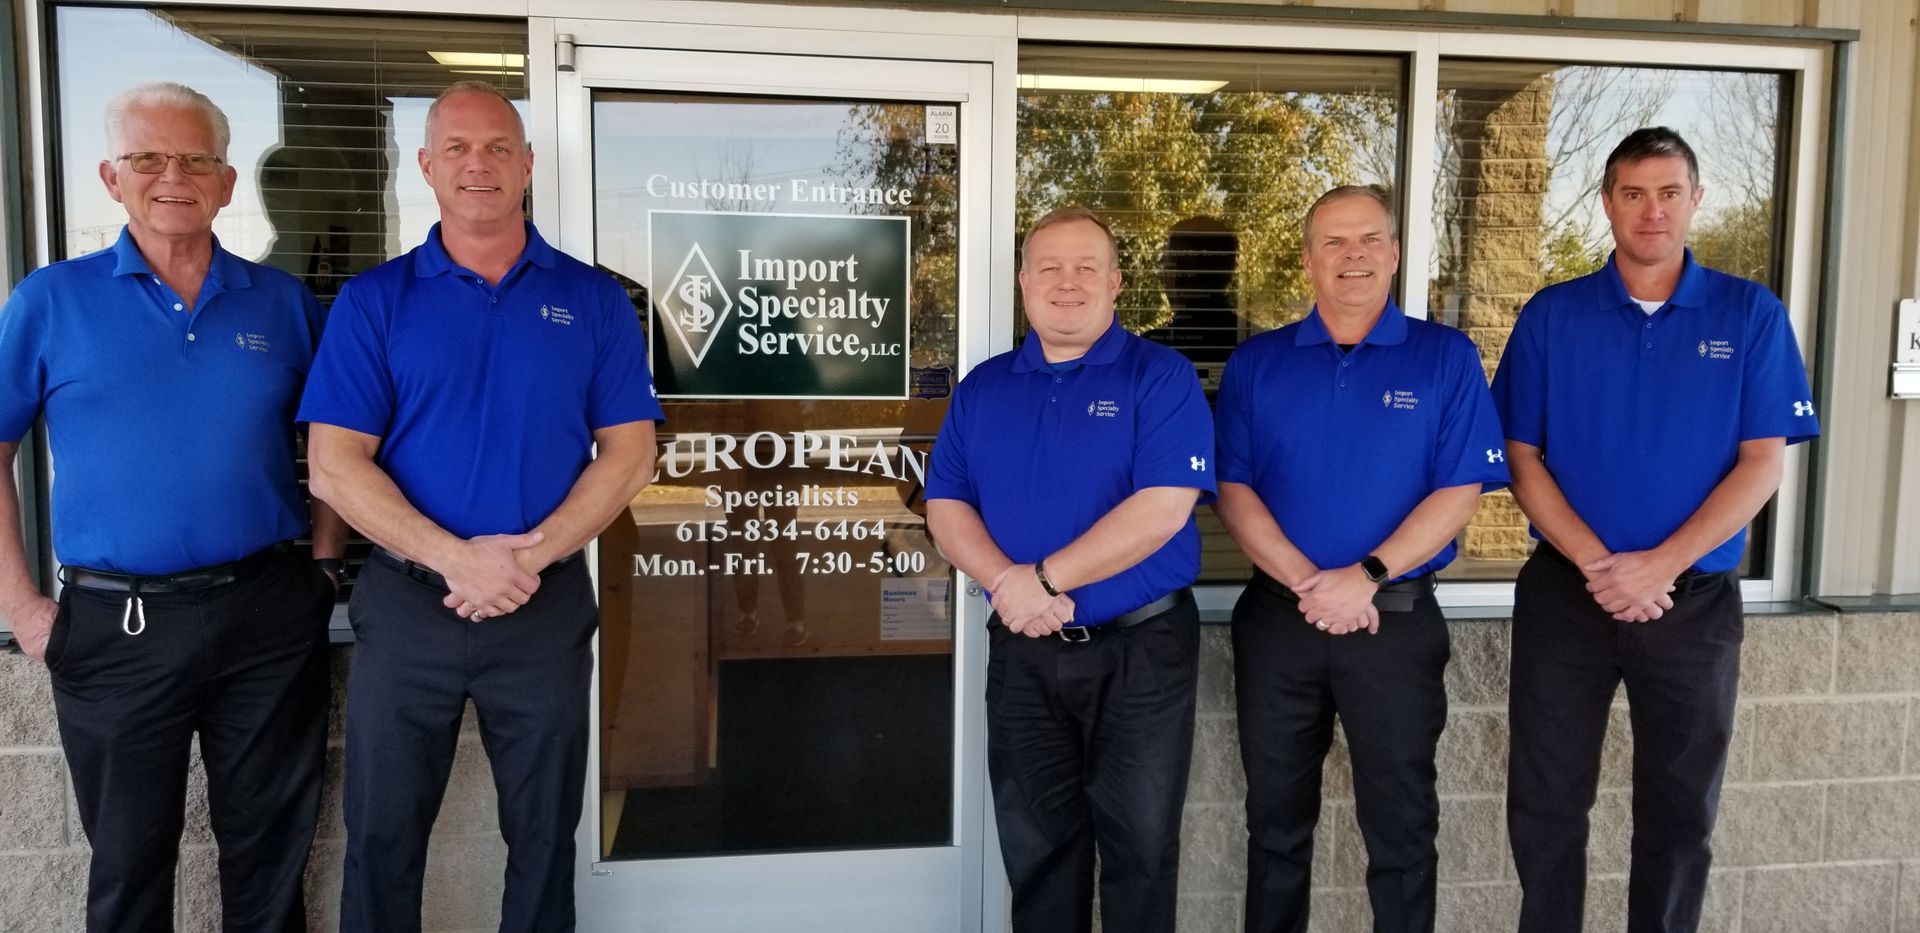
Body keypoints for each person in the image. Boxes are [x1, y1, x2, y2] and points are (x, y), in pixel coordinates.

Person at [299, 81, 663, 932]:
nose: (479, 164)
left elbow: (631, 455)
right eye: (457, 148)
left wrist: (524, 558)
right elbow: (334, 467)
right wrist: (456, 558)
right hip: (408, 605)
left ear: (529, 164)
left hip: (544, 607)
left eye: (499, 147)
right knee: (382, 835)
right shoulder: (374, 302)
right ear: (424, 165)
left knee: (543, 835)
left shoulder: (598, 300)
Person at [0, 81, 342, 931]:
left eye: (195, 158)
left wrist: (325, 565)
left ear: (227, 183)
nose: (172, 175)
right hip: (116, 626)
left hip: (267, 616)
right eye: (147, 157)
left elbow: (341, 444)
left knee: (270, 853)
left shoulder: (282, 303)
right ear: (111, 177)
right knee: (128, 862)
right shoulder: (50, 299)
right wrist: (24, 608)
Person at [1493, 127, 1820, 933]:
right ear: (1608, 202)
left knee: (1679, 810)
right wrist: (1603, 564)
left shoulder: (1750, 314)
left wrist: (1659, 567)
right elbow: (1521, 457)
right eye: (1634, 193)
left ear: (1696, 200)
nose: (1652, 211)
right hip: (1568, 598)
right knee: (1546, 803)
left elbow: (1761, 465)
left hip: (1694, 604)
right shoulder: (1552, 314)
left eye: (1669, 192)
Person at [1213, 185, 1510, 933]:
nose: (1354, 257)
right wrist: (1310, 585)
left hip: (1396, 626)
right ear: (1309, 259)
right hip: (1280, 624)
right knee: (1274, 825)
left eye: (1369, 240)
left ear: (1395, 252)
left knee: (1402, 828)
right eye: (1335, 243)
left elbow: (1459, 489)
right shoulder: (1258, 363)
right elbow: (1234, 488)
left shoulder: (1445, 357)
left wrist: (1365, 577)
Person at [925, 205, 1215, 933]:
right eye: (1049, 266)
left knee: (1140, 854)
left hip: (1141, 654)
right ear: (1023, 282)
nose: (1067, 282)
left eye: (1087, 266)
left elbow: (1163, 509)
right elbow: (946, 508)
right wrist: (1006, 582)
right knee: (1038, 854)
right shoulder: (983, 388)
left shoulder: (1161, 376)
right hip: (1024, 651)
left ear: (1116, 282)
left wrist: (1042, 579)